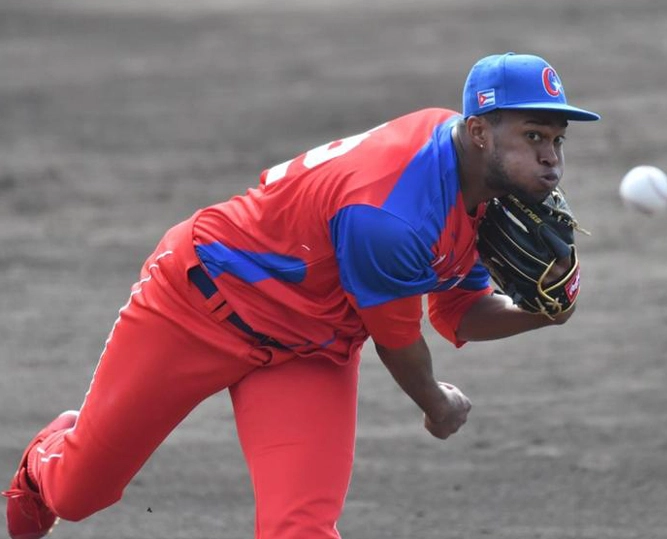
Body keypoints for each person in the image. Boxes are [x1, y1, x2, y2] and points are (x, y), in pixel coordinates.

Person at [3, 52, 599, 539]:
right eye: (532, 135)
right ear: (477, 132)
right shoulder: (390, 211)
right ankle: (42, 465)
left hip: (310, 349)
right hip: (195, 307)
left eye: (556, 139)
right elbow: (399, 341)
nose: (551, 158)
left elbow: (457, 312)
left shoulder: (482, 195)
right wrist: (436, 404)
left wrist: (543, 314)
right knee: (83, 492)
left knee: (301, 528)